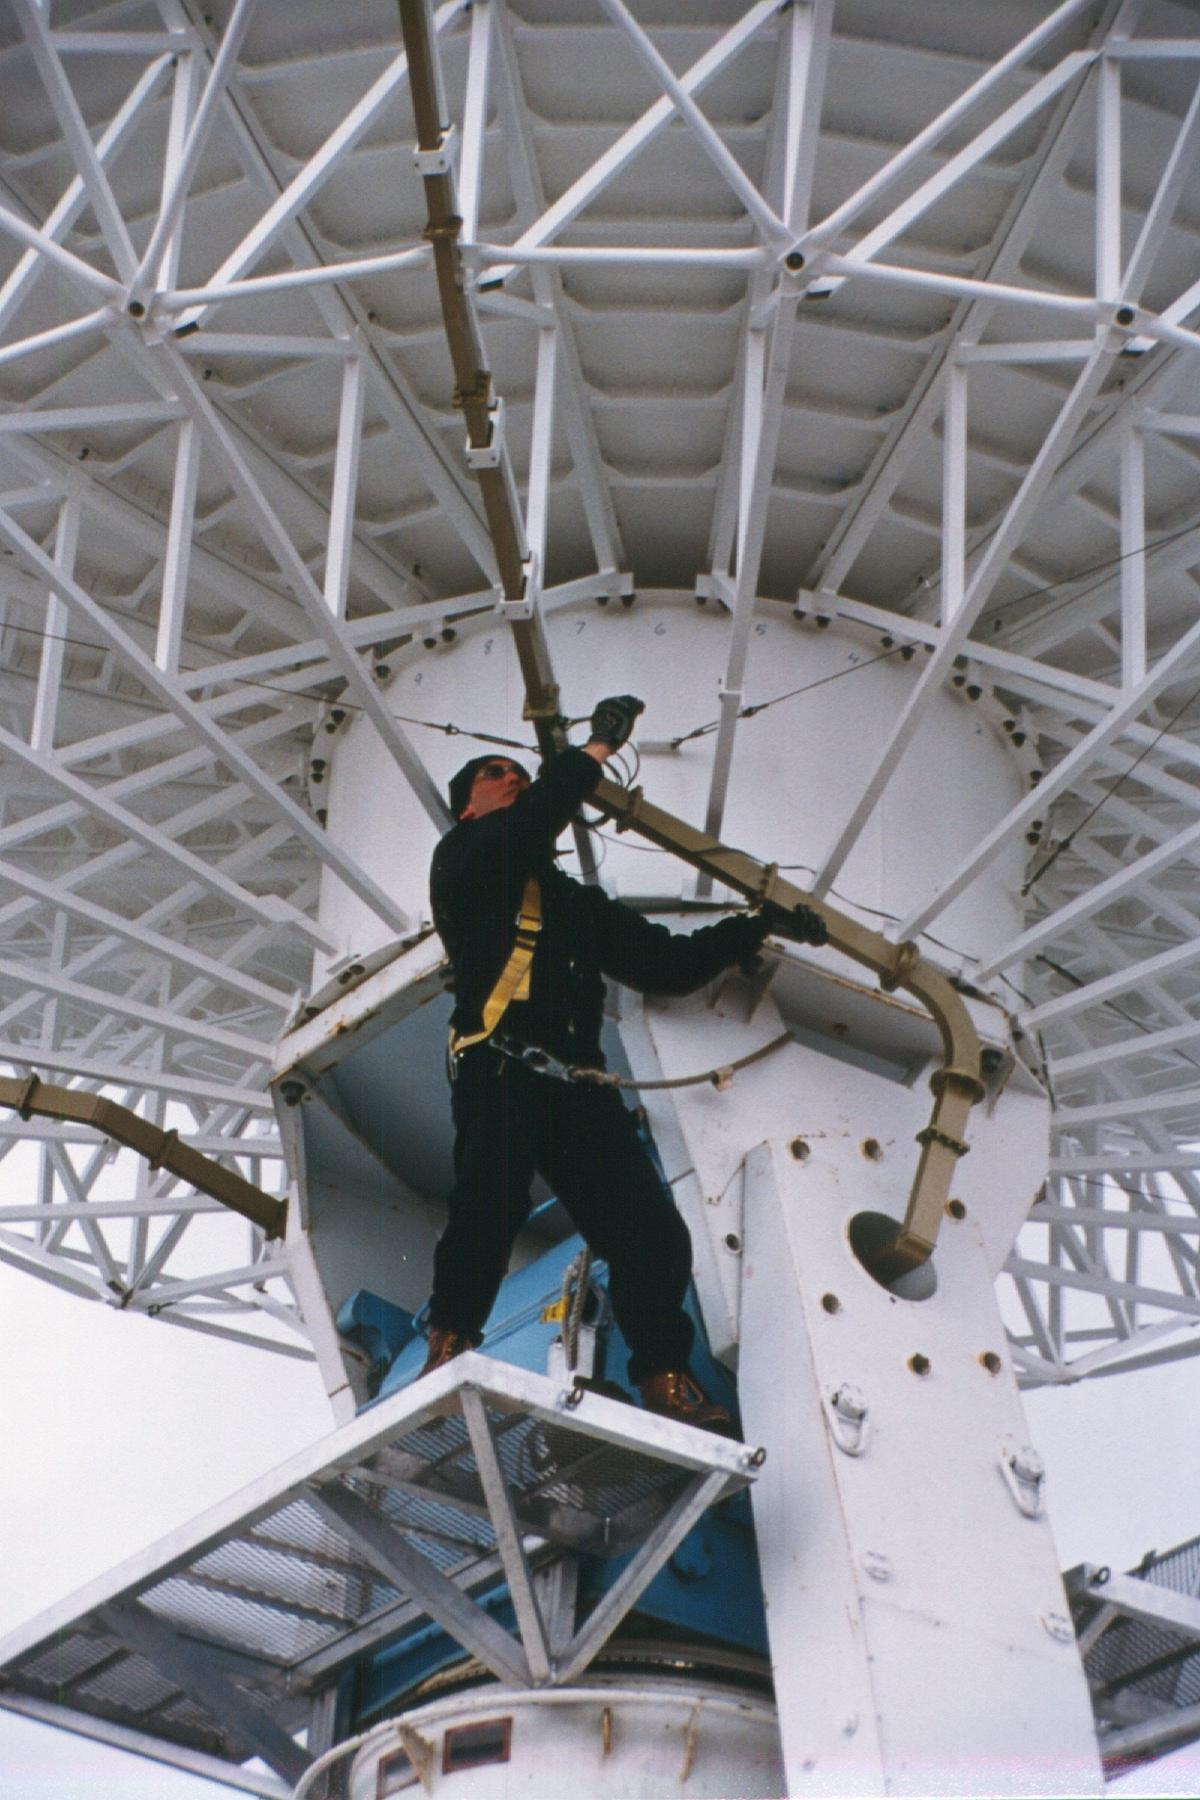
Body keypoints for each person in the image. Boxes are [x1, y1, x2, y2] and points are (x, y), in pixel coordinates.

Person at [423, 694, 828, 1432]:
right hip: (501, 1067)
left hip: (574, 1083)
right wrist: (594, 752)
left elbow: (664, 965)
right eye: (493, 772)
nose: (510, 778)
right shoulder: (465, 860)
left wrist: (756, 926)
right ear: (469, 809)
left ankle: (664, 1376)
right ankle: (448, 1343)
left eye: (519, 771)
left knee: (650, 1232)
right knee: (491, 1199)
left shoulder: (570, 901)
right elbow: (534, 819)